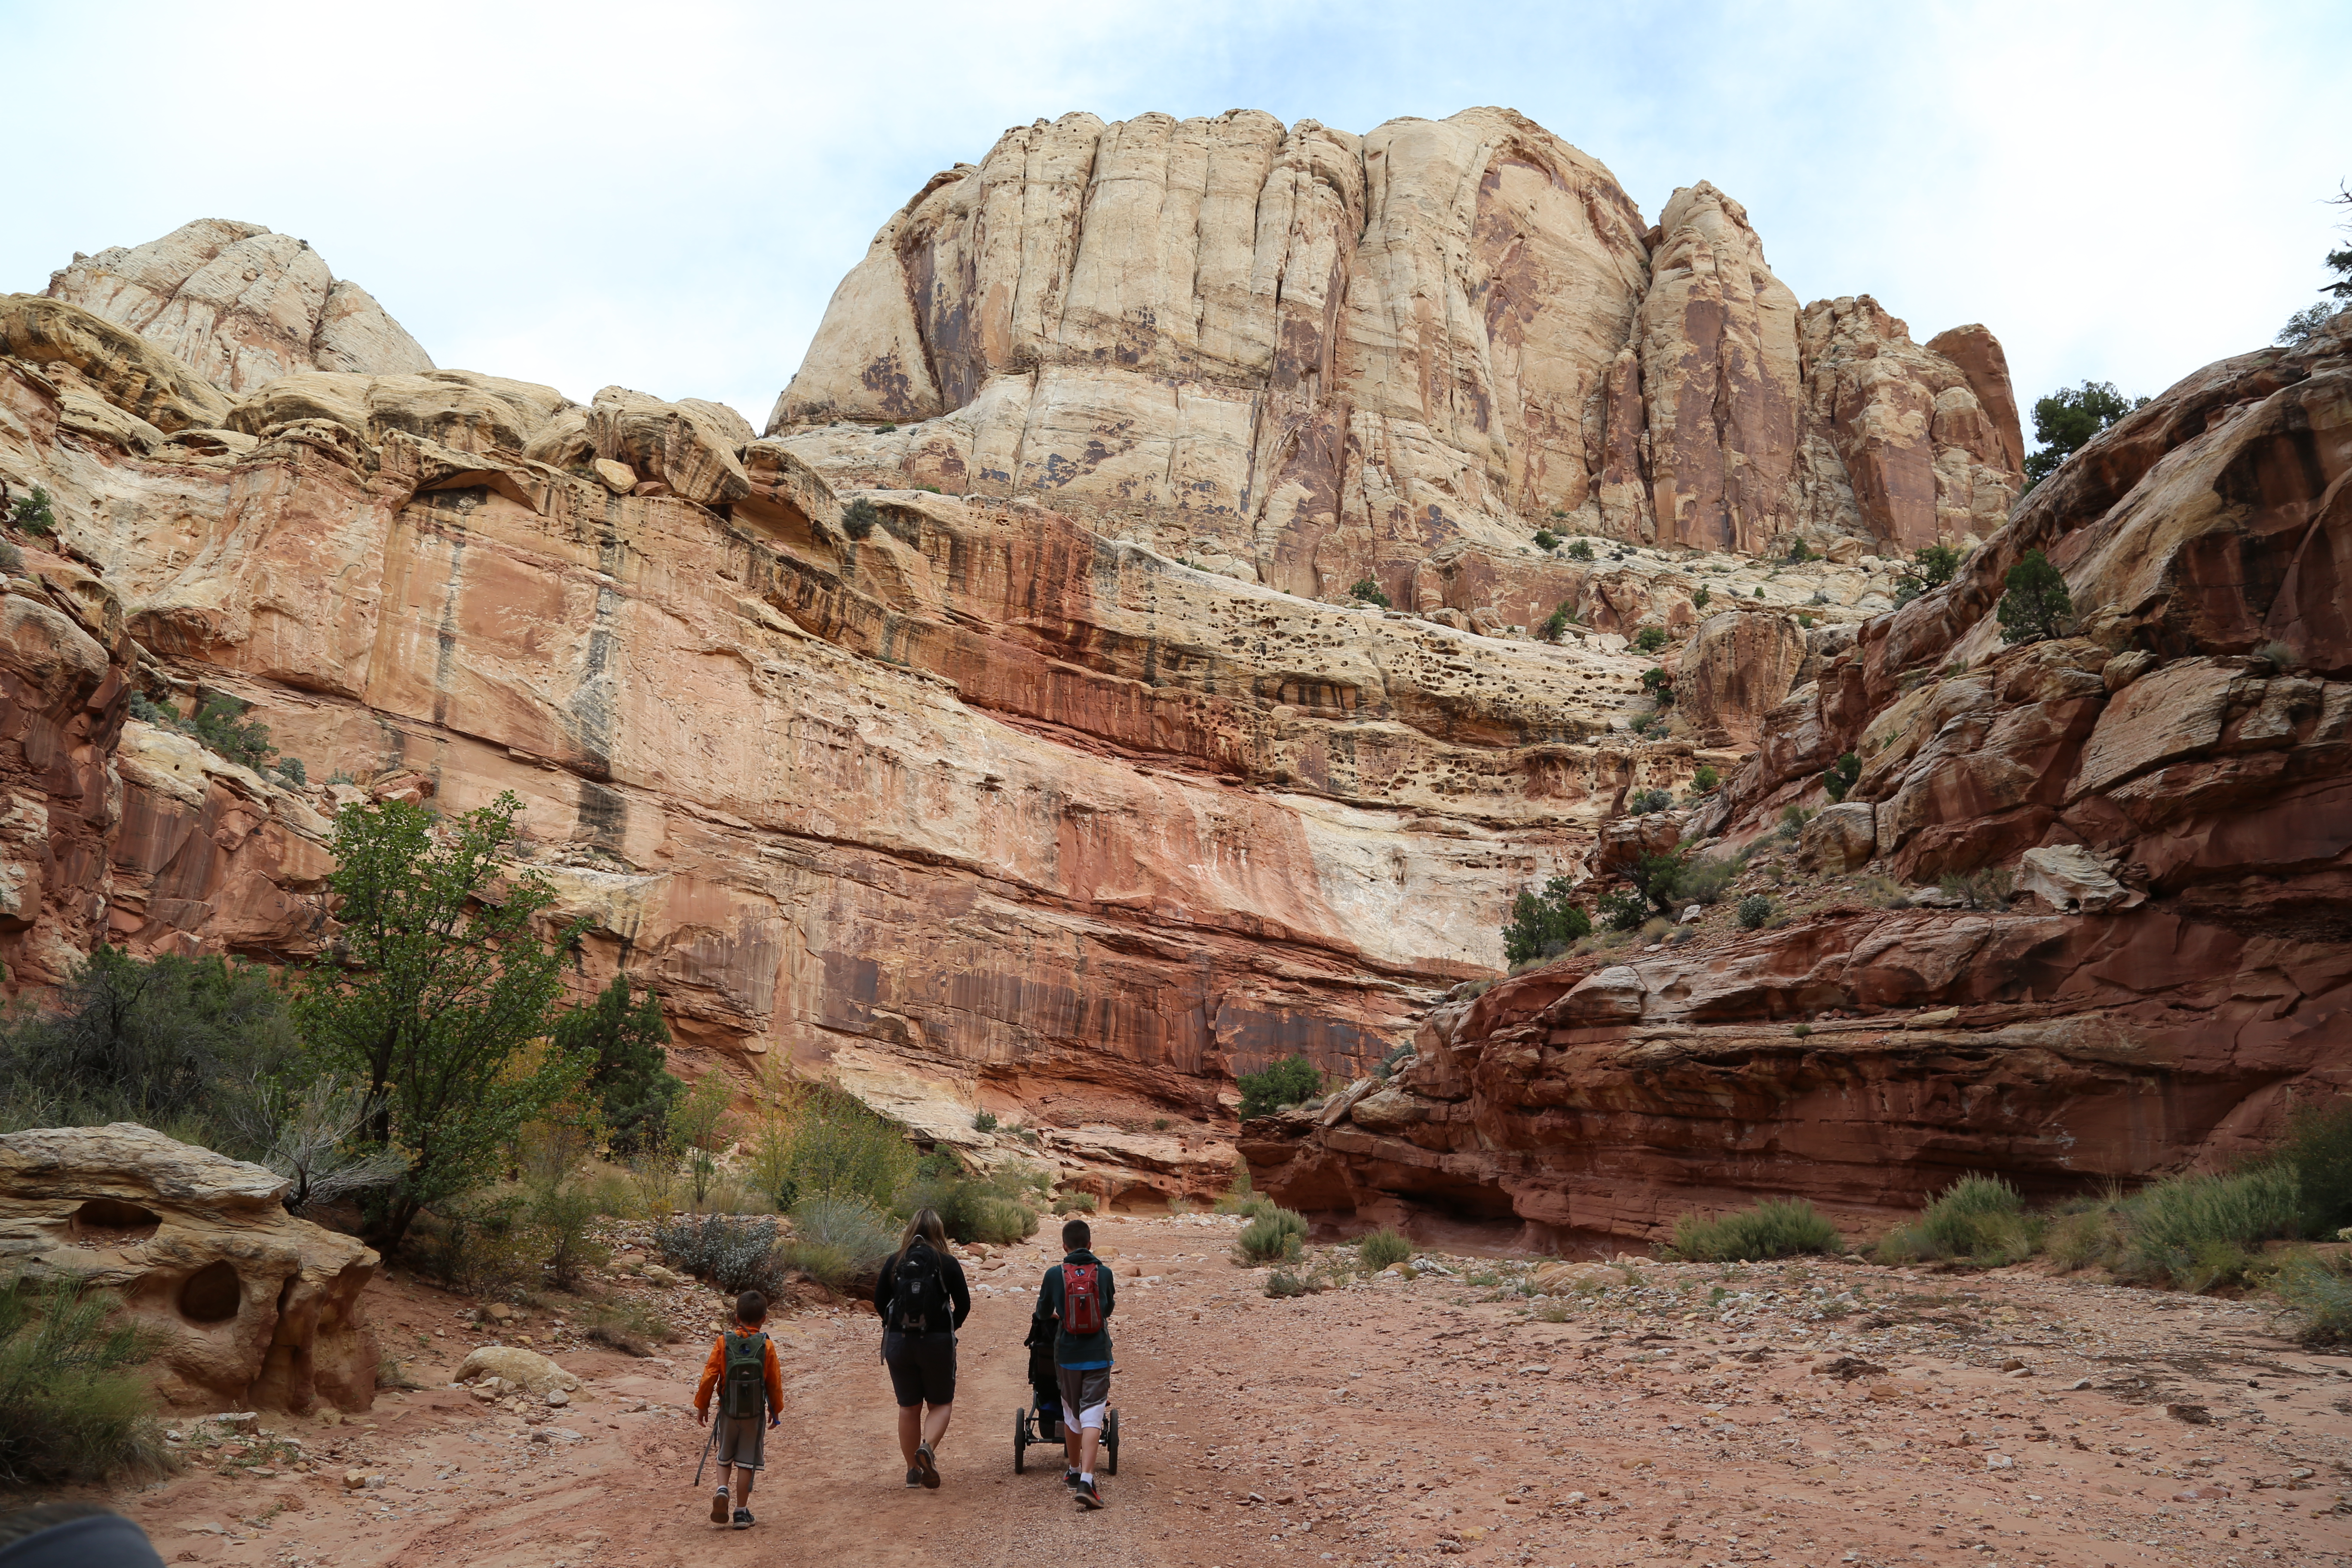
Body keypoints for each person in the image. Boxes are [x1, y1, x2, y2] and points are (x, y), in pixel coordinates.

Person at [873, 1207, 971, 1488]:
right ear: (938, 1231)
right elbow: (963, 1305)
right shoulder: (948, 1262)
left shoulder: (896, 1261)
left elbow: (880, 1302)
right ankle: (927, 1448)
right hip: (937, 1342)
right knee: (940, 1404)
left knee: (909, 1407)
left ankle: (912, 1471)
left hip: (899, 1343)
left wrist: (895, 1326)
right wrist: (948, 1329)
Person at [1034, 1215, 1115, 1509]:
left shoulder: (1055, 1274)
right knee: (1093, 1413)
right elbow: (1108, 1308)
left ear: (1065, 1246)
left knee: (1072, 1414)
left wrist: (1059, 1314)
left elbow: (1043, 1312)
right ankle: (1088, 1480)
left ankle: (1074, 1470)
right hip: (1097, 1352)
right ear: (1090, 1244)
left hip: (1067, 1355)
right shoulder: (1103, 1273)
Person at [693, 1289, 784, 1530]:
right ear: (765, 1318)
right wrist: (776, 1411)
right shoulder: (766, 1345)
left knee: (725, 1456)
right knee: (746, 1461)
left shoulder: (723, 1342)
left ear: (736, 1317)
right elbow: (774, 1382)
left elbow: (710, 1375)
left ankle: (722, 1489)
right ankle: (741, 1513)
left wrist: (703, 1405)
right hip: (754, 1414)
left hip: (728, 1410)